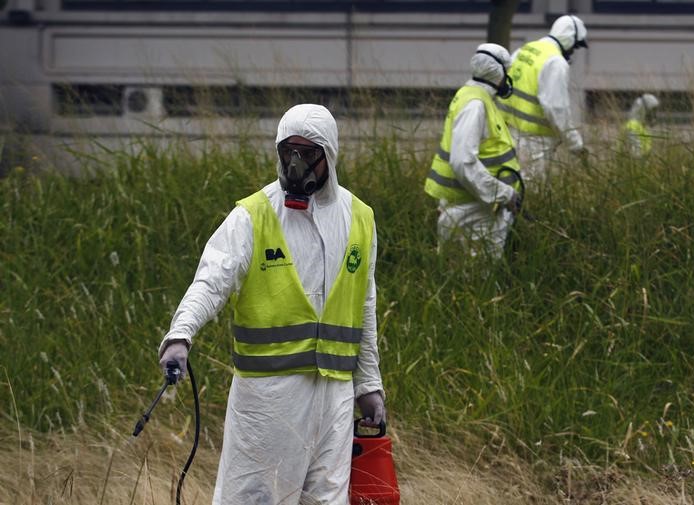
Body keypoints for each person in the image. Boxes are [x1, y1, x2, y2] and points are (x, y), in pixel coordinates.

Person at [158, 104, 386, 505]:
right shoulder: (253, 215)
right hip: (269, 400)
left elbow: (364, 307)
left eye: (308, 153)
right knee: (255, 497)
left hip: (334, 398)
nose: (296, 164)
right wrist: (181, 334)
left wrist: (369, 385)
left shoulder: (359, 218)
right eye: (288, 151)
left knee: (326, 499)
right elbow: (212, 279)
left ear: (329, 155)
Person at [424, 43, 522, 258]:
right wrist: (503, 193)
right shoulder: (475, 104)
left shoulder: (472, 95)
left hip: (470, 208)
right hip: (472, 212)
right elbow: (462, 162)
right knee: (479, 280)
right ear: (498, 73)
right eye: (507, 72)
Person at [497, 14, 589, 182]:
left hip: (507, 132)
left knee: (507, 185)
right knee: (529, 191)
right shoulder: (555, 62)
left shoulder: (525, 49)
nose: (572, 52)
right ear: (569, 39)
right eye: (574, 46)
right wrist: (575, 144)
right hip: (534, 141)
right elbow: (556, 109)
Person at [620, 93, 660, 159]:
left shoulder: (642, 126)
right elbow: (635, 152)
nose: (653, 114)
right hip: (634, 165)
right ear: (643, 110)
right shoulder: (632, 126)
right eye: (652, 111)